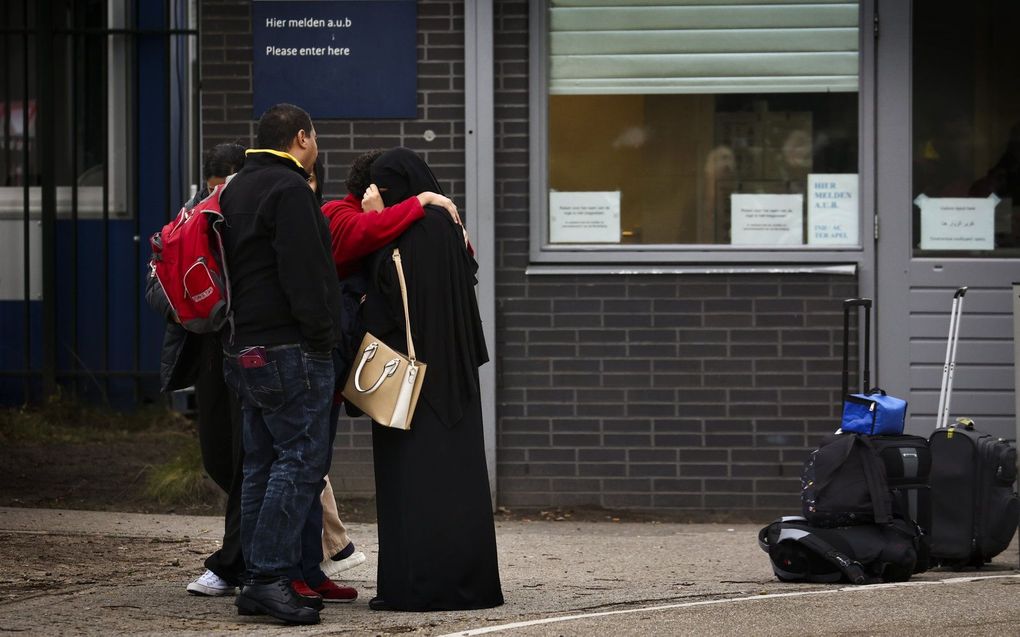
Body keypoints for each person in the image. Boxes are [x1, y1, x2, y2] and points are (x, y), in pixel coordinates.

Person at [219, 103, 349, 625]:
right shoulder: (290, 189)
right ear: (301, 137)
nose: (316, 146)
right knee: (298, 461)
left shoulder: (236, 189)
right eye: (314, 137)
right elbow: (306, 275)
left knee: (260, 464)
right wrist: (324, 338)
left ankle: (256, 578)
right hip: (290, 348)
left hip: (244, 347)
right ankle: (270, 578)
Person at [361, 147, 503, 612]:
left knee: (412, 485)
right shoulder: (450, 226)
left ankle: (414, 586)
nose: (375, 192)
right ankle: (470, 584)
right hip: (456, 375)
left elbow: (385, 292)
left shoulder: (406, 231)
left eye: (382, 185)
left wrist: (378, 223)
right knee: (459, 483)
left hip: (410, 381)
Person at [145, 142, 248, 597]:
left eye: (224, 187)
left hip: (249, 351)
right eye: (211, 189)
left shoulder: (256, 210)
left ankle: (233, 562)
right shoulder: (190, 218)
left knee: (252, 463)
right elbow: (155, 285)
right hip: (209, 349)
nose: (218, 196)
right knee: (219, 457)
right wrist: (191, 305)